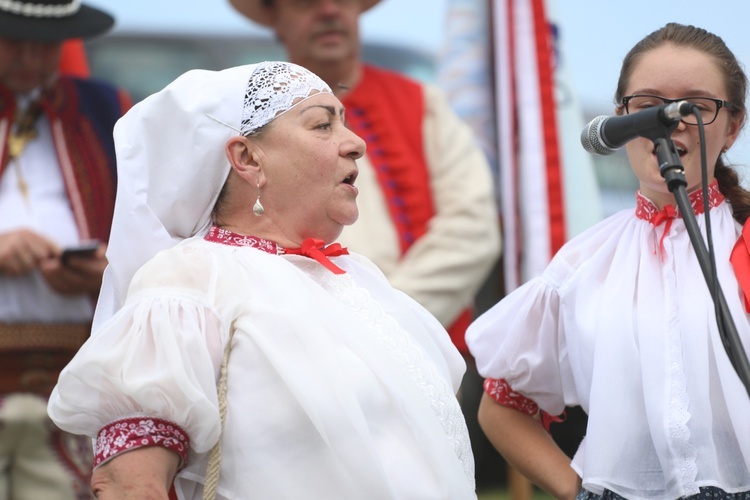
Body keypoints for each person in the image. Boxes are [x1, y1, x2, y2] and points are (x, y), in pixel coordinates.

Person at [47, 61, 477, 499]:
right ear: (248, 158)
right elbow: (127, 484)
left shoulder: (356, 277)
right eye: (323, 126)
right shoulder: (193, 279)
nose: (356, 144)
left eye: (344, 123)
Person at [466, 22, 750, 500]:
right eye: (648, 106)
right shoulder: (583, 263)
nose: (670, 121)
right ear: (620, 119)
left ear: (732, 127)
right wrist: (576, 492)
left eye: (695, 108)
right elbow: (501, 405)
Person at [227, 0, 501, 358]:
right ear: (275, 18)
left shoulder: (420, 102)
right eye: (304, 2)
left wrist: (380, 320)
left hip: (421, 351)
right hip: (294, 349)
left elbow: (473, 228)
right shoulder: (243, 116)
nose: (328, 11)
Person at [0, 1, 130, 498]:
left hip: (73, 386)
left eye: (46, 44)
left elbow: (152, 233)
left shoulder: (106, 110)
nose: (31, 58)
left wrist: (107, 270)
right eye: (15, 40)